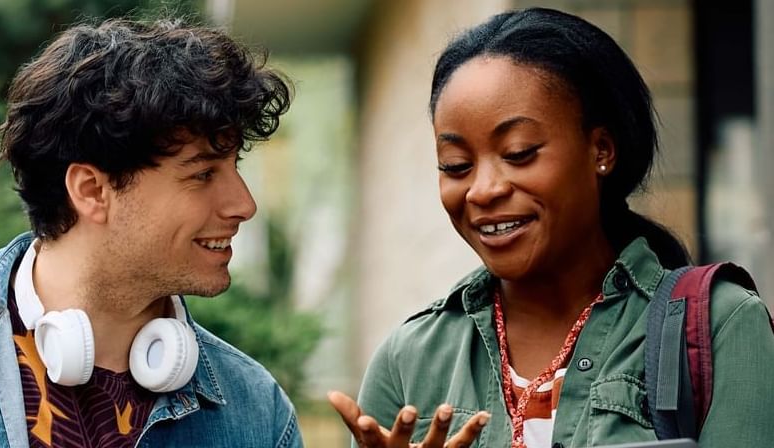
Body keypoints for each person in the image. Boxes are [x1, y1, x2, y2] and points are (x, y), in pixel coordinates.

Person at [0, 17, 303, 447]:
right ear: (91, 190)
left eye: (235, 168)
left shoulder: (255, 411)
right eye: (202, 173)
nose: (245, 204)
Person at [326, 7, 774, 448]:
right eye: (456, 165)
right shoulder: (409, 359)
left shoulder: (719, 326)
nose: (482, 190)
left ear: (600, 149)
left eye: (519, 153)